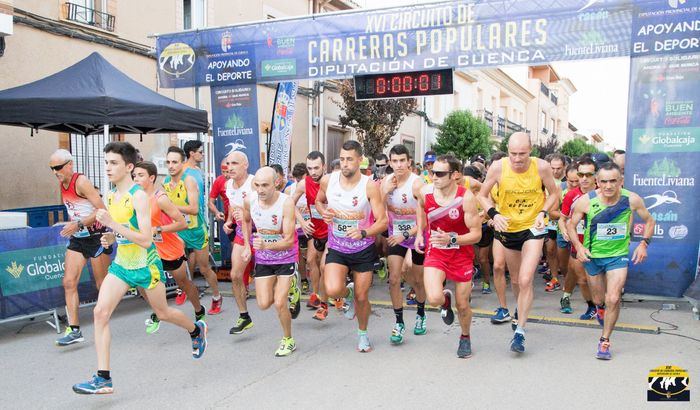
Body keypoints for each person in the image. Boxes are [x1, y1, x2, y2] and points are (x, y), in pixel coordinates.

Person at [72, 142, 206, 395]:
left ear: (129, 167)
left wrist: (112, 224)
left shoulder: (139, 196)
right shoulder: (111, 195)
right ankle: (103, 378)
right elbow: (122, 232)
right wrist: (111, 237)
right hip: (122, 264)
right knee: (100, 313)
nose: (108, 167)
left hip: (146, 265)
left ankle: (195, 329)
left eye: (114, 163)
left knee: (163, 313)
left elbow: (145, 239)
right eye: (107, 162)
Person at [477, 132, 559, 354]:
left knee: (525, 279)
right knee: (515, 280)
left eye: (522, 154)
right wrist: (494, 214)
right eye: (513, 153)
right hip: (508, 229)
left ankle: (520, 332)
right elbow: (482, 196)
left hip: (533, 227)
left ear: (530, 151)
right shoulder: (497, 167)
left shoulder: (541, 167)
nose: (517, 159)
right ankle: (517, 310)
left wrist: (543, 212)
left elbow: (554, 193)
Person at [567, 162, 654, 360]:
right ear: (597, 182)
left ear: (621, 181)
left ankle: (604, 341)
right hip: (593, 257)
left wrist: (643, 244)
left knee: (613, 298)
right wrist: (579, 247)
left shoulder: (631, 199)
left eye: (613, 181)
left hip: (618, 255)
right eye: (604, 181)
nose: (608, 186)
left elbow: (650, 221)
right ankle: (599, 308)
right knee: (599, 299)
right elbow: (571, 226)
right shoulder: (586, 201)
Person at [316, 140, 387, 352]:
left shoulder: (369, 186)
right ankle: (347, 296)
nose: (345, 164)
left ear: (359, 160)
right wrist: (323, 212)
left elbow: (383, 222)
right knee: (332, 289)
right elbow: (319, 201)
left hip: (363, 249)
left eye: (349, 159)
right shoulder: (328, 181)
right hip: (337, 246)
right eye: (342, 159)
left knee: (362, 296)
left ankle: (363, 334)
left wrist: (364, 232)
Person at [415, 155, 481, 358]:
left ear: (455, 175)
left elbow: (476, 234)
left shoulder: (466, 197)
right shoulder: (425, 192)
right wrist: (419, 232)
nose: (434, 177)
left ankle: (465, 336)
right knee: (433, 298)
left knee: (462, 305)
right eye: (432, 172)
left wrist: (452, 240)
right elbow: (421, 208)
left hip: (461, 254)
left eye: (440, 173)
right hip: (436, 250)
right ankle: (445, 301)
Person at [133, 161, 205, 334]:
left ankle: (199, 311)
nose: (136, 179)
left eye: (140, 175)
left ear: (151, 178)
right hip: (150, 250)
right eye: (134, 175)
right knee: (141, 284)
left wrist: (158, 229)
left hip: (170, 249)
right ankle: (159, 311)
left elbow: (182, 223)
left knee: (182, 282)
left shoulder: (161, 199)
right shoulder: (135, 198)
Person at [50, 149, 112, 346]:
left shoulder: (81, 181)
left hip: (95, 236)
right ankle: (74, 329)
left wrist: (78, 224)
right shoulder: (62, 183)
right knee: (68, 282)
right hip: (78, 238)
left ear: (69, 165)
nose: (55, 172)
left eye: (58, 167)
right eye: (52, 168)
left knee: (102, 284)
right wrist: (73, 224)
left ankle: (103, 324)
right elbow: (76, 209)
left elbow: (102, 210)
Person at [238, 167, 301, 356]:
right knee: (264, 304)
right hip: (264, 259)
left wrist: (266, 246)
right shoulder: (249, 200)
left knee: (280, 303)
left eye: (265, 185)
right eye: (257, 185)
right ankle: (292, 289)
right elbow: (246, 221)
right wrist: (248, 246)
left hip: (285, 257)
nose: (260, 189)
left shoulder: (286, 203)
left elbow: (289, 240)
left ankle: (288, 339)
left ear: (276, 184)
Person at [163, 147, 223, 314]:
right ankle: (183, 286)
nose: (171, 166)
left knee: (204, 269)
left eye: (175, 162)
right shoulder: (166, 182)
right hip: (179, 229)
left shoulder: (188, 180)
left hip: (196, 230)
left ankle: (217, 296)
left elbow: (194, 209)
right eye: (168, 162)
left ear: (182, 163)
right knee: (176, 262)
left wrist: (171, 208)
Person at [381, 144, 427, 344]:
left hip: (416, 236)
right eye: (395, 161)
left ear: (409, 162)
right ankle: (399, 322)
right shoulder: (386, 182)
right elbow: (379, 212)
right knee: (393, 279)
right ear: (390, 162)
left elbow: (424, 219)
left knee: (416, 280)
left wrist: (407, 234)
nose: (399, 165)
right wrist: (384, 193)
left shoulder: (417, 184)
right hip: (395, 236)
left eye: (402, 161)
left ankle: (421, 314)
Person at [292, 151, 331, 320]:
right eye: (310, 168)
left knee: (324, 267)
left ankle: (324, 305)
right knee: (310, 261)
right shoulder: (303, 184)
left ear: (324, 166)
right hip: (315, 230)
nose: (313, 172)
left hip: (332, 231)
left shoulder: (332, 182)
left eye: (316, 168)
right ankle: (315, 295)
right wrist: (302, 221)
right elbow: (289, 203)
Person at [559, 158, 597, 318]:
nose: (584, 178)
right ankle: (592, 306)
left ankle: (602, 304)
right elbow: (562, 218)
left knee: (598, 278)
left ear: (596, 176)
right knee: (581, 278)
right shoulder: (571, 195)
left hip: (601, 243)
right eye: (581, 174)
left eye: (588, 174)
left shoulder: (604, 192)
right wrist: (564, 230)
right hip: (578, 242)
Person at [223, 151, 256, 333]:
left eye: (234, 163)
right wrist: (229, 221)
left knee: (271, 282)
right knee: (235, 275)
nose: (230, 167)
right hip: (242, 234)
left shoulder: (254, 183)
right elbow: (232, 205)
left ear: (245, 165)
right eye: (228, 164)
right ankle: (244, 316)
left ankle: (291, 287)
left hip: (262, 233)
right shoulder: (229, 184)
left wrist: (245, 215)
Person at [285, 163, 310, 294]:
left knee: (311, 258)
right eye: (297, 179)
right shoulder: (290, 190)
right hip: (297, 228)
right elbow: (288, 208)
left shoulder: (312, 187)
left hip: (311, 228)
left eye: (302, 178)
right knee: (300, 257)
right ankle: (304, 280)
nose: (300, 181)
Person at [543, 153, 567, 292]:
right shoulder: (545, 180)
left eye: (559, 168)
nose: (555, 171)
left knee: (563, 253)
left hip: (564, 221)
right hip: (549, 220)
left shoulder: (569, 181)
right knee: (551, 250)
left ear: (564, 167)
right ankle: (554, 278)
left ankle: (568, 278)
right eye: (553, 168)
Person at [208, 159, 232, 273]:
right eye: (223, 171)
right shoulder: (219, 181)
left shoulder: (244, 180)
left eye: (228, 171)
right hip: (230, 220)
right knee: (236, 247)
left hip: (246, 219)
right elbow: (210, 202)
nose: (226, 175)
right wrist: (217, 212)